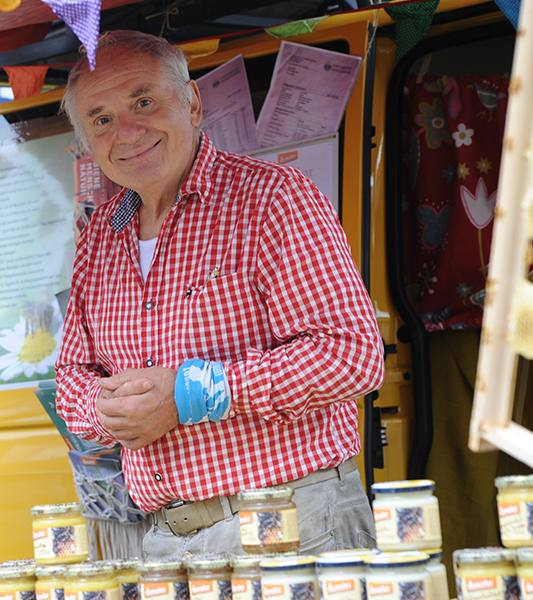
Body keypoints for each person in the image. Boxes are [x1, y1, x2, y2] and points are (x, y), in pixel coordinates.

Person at [54, 31, 385, 559]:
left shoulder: (272, 197)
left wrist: (189, 395)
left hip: (288, 522)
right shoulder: (100, 237)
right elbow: (72, 378)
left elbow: (350, 356)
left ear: (192, 102)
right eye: (102, 119)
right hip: (165, 540)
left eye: (144, 102)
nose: (128, 132)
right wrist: (107, 409)